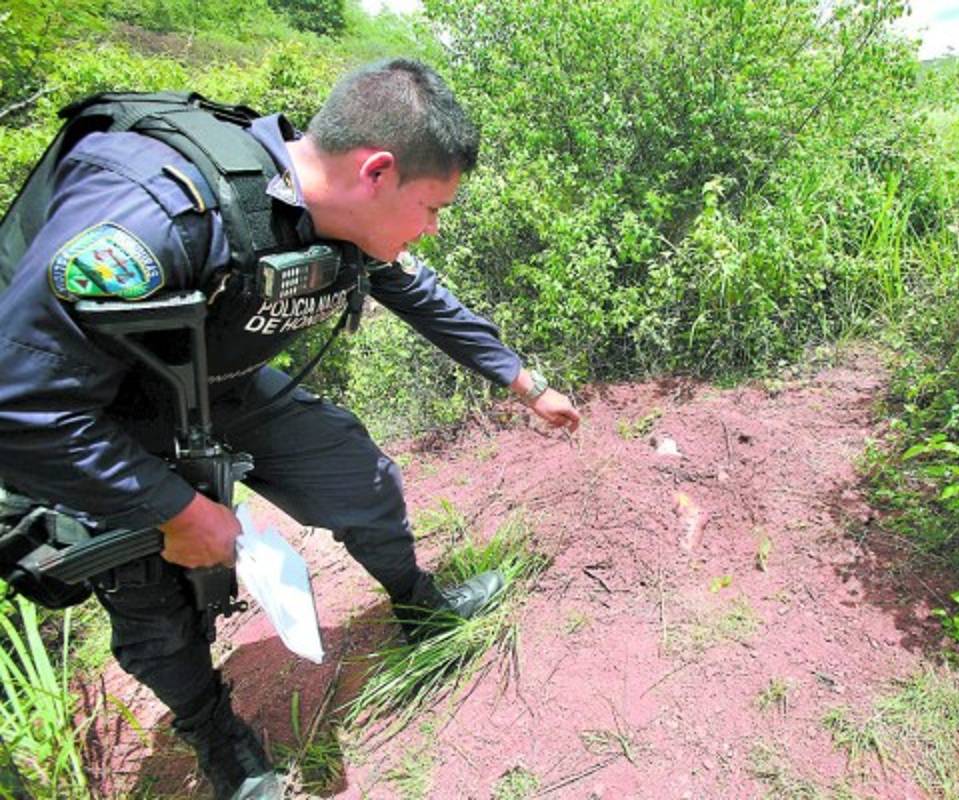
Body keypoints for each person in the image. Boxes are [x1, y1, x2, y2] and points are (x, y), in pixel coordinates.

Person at [0, 58, 580, 799]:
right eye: (432, 208)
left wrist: (526, 385)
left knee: (356, 472)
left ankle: (417, 602)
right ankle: (222, 748)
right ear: (376, 171)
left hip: (221, 382)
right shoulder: (158, 212)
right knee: (154, 604)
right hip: (98, 414)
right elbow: (17, 400)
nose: (432, 230)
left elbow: (422, 296)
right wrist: (174, 509)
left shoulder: (342, 220)